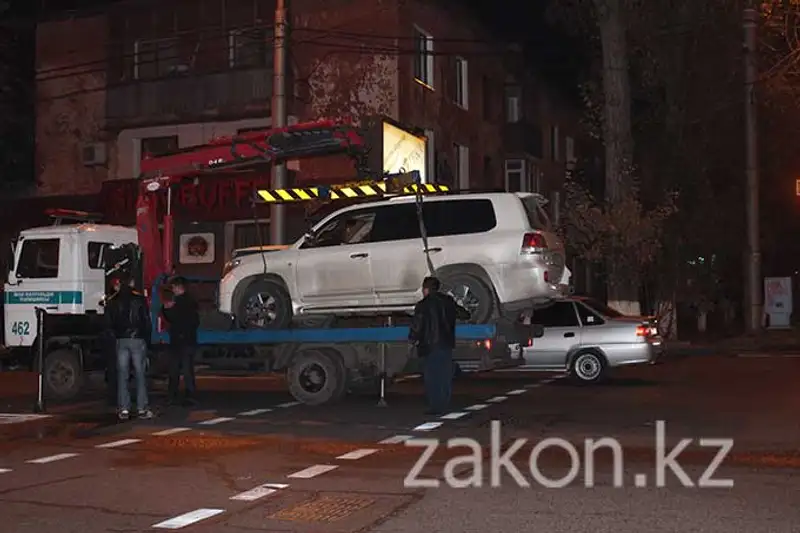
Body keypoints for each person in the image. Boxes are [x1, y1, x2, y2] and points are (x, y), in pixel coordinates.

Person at [409, 276, 470, 415]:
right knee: (444, 376)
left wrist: (412, 339)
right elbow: (464, 314)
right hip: (446, 344)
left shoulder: (422, 305)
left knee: (432, 378)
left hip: (429, 346)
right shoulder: (448, 301)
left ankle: (435, 407)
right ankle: (444, 404)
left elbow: (417, 325)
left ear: (425, 289)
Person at [105, 272, 153, 420]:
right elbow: (146, 321)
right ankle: (141, 408)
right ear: (131, 283)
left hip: (121, 340)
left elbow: (108, 323)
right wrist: (147, 340)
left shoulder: (113, 300)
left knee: (122, 375)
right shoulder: (139, 299)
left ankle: (124, 408)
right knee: (140, 374)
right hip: (137, 339)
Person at [162, 276, 199, 406]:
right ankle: (190, 395)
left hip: (178, 341)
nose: (172, 290)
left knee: (174, 370)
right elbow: (194, 322)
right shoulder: (191, 302)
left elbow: (174, 319)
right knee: (187, 370)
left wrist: (166, 309)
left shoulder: (178, 303)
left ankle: (172, 395)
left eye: (173, 287)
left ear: (178, 287)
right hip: (188, 340)